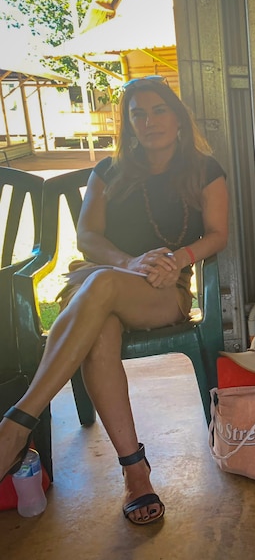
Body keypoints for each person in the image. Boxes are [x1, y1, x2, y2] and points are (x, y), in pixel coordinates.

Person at [0, 76, 229, 524]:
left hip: (163, 287)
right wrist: (128, 262)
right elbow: (87, 237)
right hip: (105, 279)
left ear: (177, 118)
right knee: (100, 320)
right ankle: (135, 472)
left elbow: (218, 234)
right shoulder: (108, 170)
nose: (148, 120)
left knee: (99, 286)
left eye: (158, 109)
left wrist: (177, 259)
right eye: (137, 113)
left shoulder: (205, 169)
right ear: (128, 124)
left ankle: (17, 422)